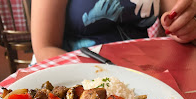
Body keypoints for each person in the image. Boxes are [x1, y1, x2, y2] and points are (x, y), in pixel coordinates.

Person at [31, 0, 196, 63]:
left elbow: (175, 14)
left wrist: (185, 22)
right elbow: (45, 48)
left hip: (141, 72)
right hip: (72, 72)